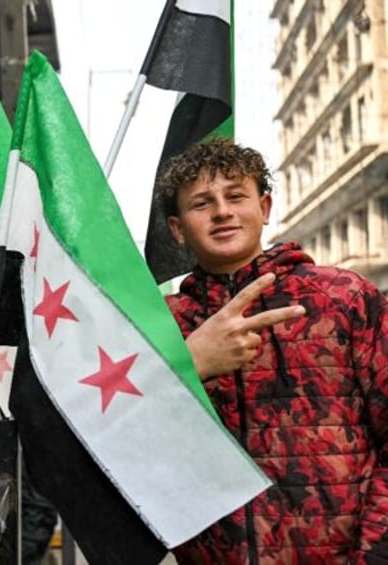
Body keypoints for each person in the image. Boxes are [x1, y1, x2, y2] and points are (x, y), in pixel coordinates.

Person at [158, 137, 388, 563]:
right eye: (202, 203)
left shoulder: (344, 298)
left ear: (263, 209)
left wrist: (374, 556)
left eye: (236, 196)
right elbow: (122, 445)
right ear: (177, 229)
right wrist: (188, 364)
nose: (222, 211)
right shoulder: (160, 326)